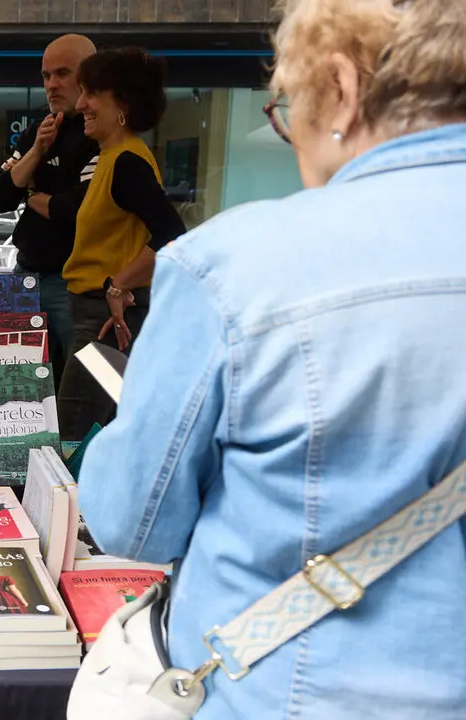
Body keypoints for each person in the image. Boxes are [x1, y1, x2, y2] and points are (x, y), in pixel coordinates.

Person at [80, 0, 466, 717]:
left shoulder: (237, 267)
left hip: (286, 690)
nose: (287, 133)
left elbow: (133, 521)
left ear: (343, 88)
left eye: (286, 107)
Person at [52, 48, 185, 441]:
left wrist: (119, 284)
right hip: (99, 315)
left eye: (91, 93)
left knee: (72, 437)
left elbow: (171, 235)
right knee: (93, 431)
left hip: (106, 319)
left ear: (122, 103)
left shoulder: (127, 162)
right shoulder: (114, 158)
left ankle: (73, 505)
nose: (80, 104)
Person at [0, 34, 100, 385]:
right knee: (21, 385)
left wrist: (30, 191)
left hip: (74, 283)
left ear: (88, 75)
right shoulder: (39, 130)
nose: (51, 85)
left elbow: (76, 211)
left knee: (77, 388)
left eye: (62, 73)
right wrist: (36, 151)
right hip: (26, 275)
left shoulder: (99, 131)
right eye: (45, 75)